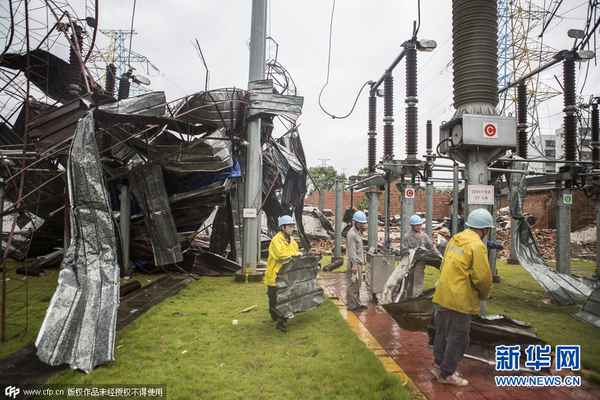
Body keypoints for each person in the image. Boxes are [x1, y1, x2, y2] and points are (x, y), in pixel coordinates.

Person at [431, 208, 493, 387]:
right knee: (458, 337)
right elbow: (482, 277)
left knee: (442, 333)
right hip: (459, 300)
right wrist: (484, 295)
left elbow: (443, 265)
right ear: (485, 229)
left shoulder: (455, 239)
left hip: (442, 294)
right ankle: (446, 373)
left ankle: (438, 365)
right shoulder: (477, 245)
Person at [264, 215, 299, 333]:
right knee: (273, 298)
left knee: (284, 299)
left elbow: (295, 251)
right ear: (282, 228)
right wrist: (294, 254)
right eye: (290, 227)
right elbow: (280, 255)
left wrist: (295, 254)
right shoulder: (276, 240)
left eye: (292, 226)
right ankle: (274, 313)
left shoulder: (292, 241)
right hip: (274, 276)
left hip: (286, 276)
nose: (292, 229)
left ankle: (281, 322)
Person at [401, 215, 442, 298]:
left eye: (420, 225)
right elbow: (405, 250)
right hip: (410, 263)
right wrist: (414, 252)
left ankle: (416, 301)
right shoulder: (407, 237)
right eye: (417, 225)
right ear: (412, 225)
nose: (419, 227)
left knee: (418, 283)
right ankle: (409, 300)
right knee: (410, 283)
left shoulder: (424, 236)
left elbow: (432, 248)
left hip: (420, 264)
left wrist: (441, 257)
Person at [346, 211, 368, 312]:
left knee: (358, 284)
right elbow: (352, 251)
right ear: (355, 222)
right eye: (361, 223)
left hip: (358, 262)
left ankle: (357, 303)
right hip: (354, 263)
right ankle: (351, 305)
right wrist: (354, 265)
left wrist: (363, 260)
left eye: (363, 223)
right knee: (353, 284)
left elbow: (359, 249)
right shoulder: (352, 234)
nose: (363, 225)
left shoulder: (358, 232)